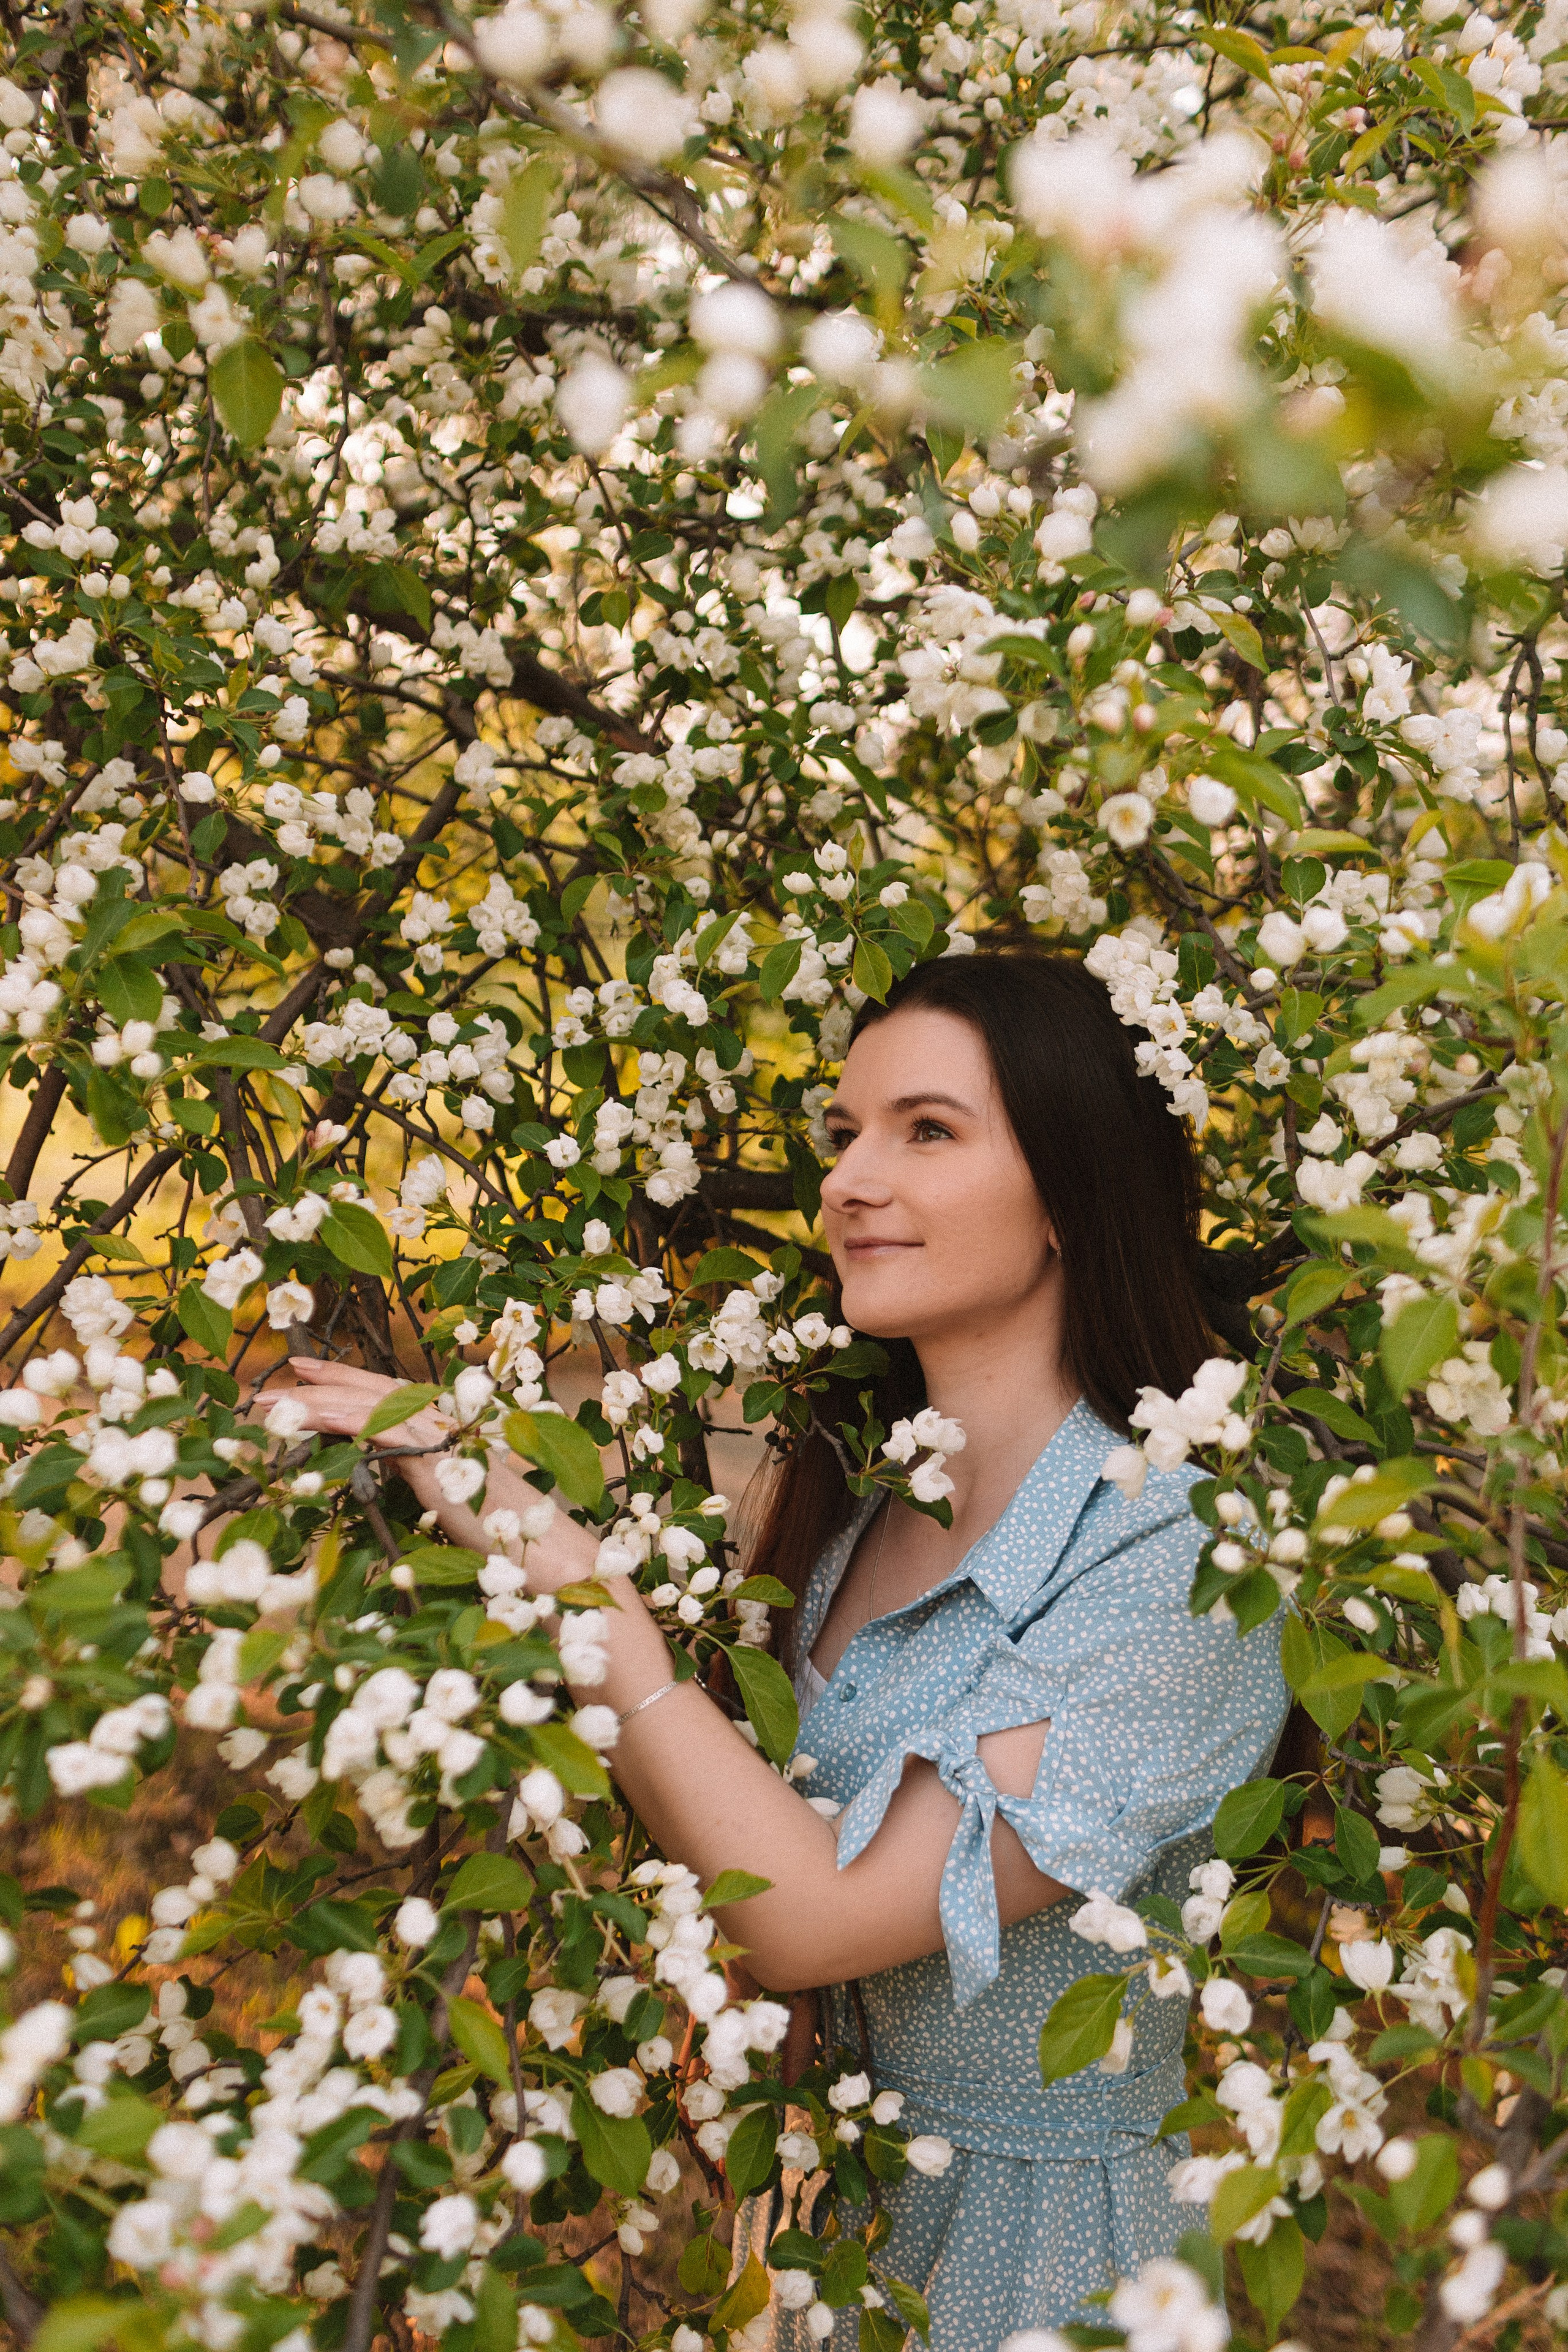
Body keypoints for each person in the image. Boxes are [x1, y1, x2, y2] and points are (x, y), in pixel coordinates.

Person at [289, 948, 1289, 2348]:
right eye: (840, 1136)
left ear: (1067, 1190)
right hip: (826, 2239)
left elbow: (817, 1911)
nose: (845, 1182)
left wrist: (578, 1587)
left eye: (924, 1131)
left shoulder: (1173, 1554)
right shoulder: (853, 1514)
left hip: (1043, 2270)